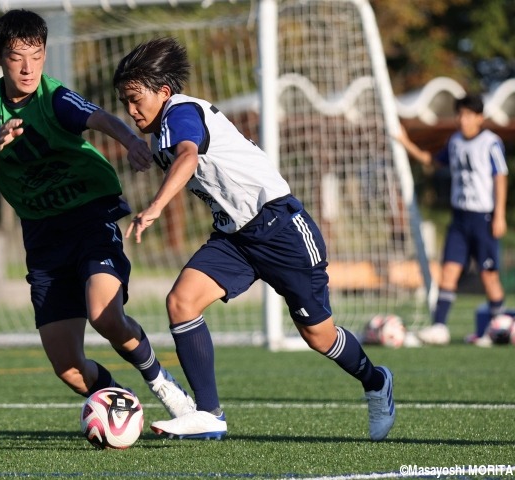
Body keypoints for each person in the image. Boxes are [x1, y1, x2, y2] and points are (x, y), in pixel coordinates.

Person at [113, 37, 395, 441]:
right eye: (125, 101)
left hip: (281, 228)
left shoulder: (182, 111)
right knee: (181, 302)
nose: (131, 109)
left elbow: (189, 154)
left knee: (319, 335)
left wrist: (156, 206)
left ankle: (375, 381)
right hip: (235, 238)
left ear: (164, 92)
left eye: (136, 99)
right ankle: (209, 413)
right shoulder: (161, 131)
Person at [0, 10, 195, 418]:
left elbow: (99, 117)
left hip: (88, 218)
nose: (28, 67)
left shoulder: (53, 96)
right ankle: (121, 408)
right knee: (67, 367)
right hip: (43, 236)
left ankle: (162, 383)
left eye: (37, 55)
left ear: (45, 54)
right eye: (16, 57)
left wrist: (132, 141)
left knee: (105, 314)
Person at [396, 93, 509, 346]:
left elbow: (500, 177)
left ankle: (497, 330)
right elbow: (432, 161)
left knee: (488, 275)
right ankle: (439, 327)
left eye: (469, 114)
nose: (463, 119)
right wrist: (405, 142)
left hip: (484, 217)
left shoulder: (490, 143)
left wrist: (499, 215)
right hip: (459, 218)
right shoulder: (455, 141)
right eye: (460, 114)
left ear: (479, 118)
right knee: (448, 271)